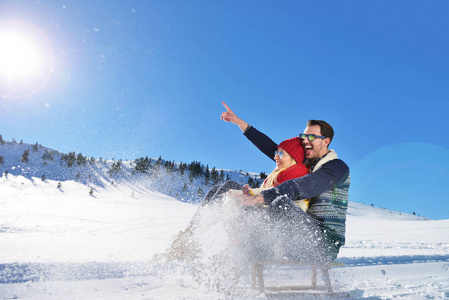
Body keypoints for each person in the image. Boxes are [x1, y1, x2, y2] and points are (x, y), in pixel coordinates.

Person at [220, 101, 350, 263]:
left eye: (311, 137)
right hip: (294, 234)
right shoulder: (305, 164)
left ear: (326, 141)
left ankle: (249, 254)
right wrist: (241, 124)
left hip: (322, 243)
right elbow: (276, 150)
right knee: (228, 189)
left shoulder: (336, 167)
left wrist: (260, 197)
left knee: (280, 203)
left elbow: (305, 185)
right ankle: (189, 243)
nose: (305, 141)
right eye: (303, 137)